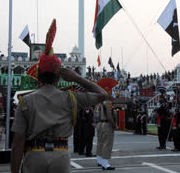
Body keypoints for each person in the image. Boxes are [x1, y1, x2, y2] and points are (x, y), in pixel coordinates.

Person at [10, 20, 110, 173]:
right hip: (60, 156)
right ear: (59, 76)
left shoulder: (26, 101)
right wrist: (77, 78)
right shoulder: (70, 97)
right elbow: (103, 94)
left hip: (34, 155)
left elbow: (17, 142)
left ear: (37, 74)